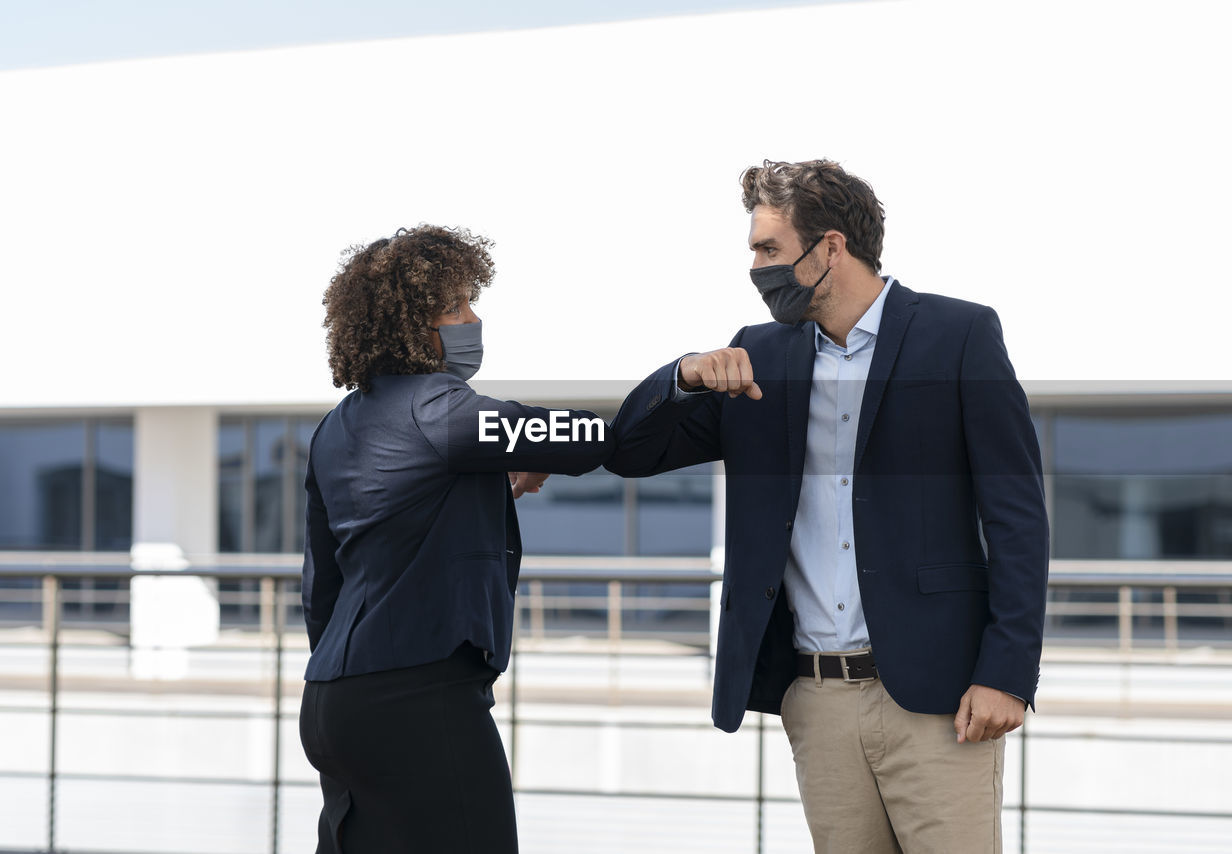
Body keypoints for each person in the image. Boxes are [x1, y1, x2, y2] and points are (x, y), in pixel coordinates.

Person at [606, 160, 1048, 853]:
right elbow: (629, 451)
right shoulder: (756, 355)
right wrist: (683, 374)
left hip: (941, 700)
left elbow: (1018, 517)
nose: (755, 267)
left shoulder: (958, 336)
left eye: (768, 249)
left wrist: (1007, 675)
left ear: (831, 248)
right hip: (815, 698)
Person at [298, 223, 613, 854]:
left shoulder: (337, 425)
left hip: (335, 700)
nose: (473, 318)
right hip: (418, 697)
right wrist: (684, 385)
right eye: (456, 306)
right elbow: (589, 438)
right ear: (410, 325)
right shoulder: (440, 408)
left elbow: (321, 587)